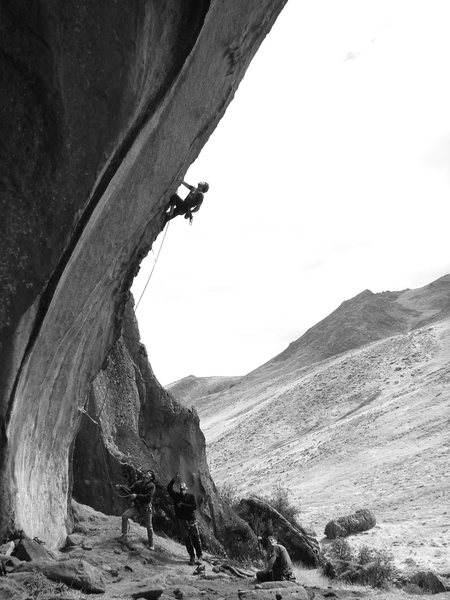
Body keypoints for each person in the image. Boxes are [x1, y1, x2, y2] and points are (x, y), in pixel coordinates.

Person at [167, 473, 203, 565]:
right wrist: (173, 480)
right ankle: (192, 557)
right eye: (181, 489)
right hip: (182, 520)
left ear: (186, 489)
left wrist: (182, 505)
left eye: (184, 489)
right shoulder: (177, 496)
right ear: (180, 490)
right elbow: (169, 489)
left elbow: (194, 506)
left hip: (191, 520)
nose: (182, 491)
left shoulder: (191, 496)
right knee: (187, 539)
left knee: (196, 538)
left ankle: (200, 556)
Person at [116, 469, 156, 548]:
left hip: (147, 509)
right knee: (125, 516)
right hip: (137, 507)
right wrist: (121, 487)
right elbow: (130, 490)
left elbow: (148, 498)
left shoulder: (152, 486)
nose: (147, 473)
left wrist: (137, 496)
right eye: (147, 472)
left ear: (151, 478)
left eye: (149, 473)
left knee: (149, 527)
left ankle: (151, 544)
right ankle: (124, 536)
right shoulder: (138, 483)